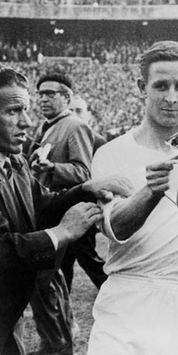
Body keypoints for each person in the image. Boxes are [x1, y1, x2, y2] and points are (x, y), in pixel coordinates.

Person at [87, 40, 178, 355]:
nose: (172, 97)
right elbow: (113, 228)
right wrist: (150, 192)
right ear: (141, 87)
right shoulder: (112, 153)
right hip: (127, 298)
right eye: (160, 86)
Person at [0, 65, 132, 355]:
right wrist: (60, 232)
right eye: (13, 111)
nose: (25, 121)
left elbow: (40, 202)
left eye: (26, 110)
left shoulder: (16, 161)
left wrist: (85, 189)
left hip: (11, 303)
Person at [28, 73, 95, 355]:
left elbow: (83, 172)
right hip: (48, 211)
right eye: (40, 93)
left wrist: (52, 169)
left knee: (49, 278)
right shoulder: (49, 126)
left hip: (64, 212)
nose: (43, 98)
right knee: (53, 278)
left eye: (50, 93)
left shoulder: (74, 126)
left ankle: (58, 341)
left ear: (67, 98)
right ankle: (60, 337)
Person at [58, 94, 108, 294]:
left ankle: (108, 287)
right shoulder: (68, 136)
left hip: (88, 206)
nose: (74, 115)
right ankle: (64, 296)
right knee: (66, 257)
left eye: (79, 110)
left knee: (85, 254)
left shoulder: (99, 142)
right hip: (66, 205)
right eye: (71, 110)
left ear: (89, 115)